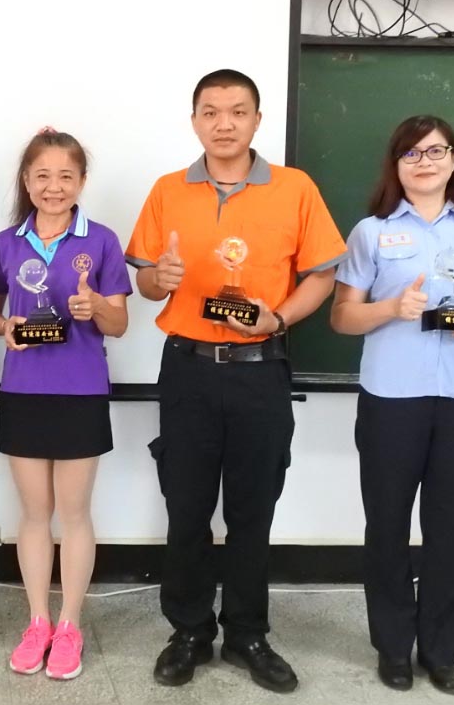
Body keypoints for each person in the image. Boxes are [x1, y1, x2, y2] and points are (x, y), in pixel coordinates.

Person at [125, 69, 346, 694]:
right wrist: (157, 280)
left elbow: (322, 275)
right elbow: (144, 280)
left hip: (260, 373)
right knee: (187, 508)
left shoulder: (294, 188)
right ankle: (189, 631)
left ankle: (247, 633)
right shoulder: (169, 190)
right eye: (211, 111)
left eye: (237, 111)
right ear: (194, 119)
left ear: (256, 119)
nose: (224, 123)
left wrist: (280, 317)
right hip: (188, 369)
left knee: (254, 511)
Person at [330, 116, 454, 696]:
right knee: (386, 525)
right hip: (392, 399)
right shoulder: (370, 232)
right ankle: (392, 647)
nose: (425, 160)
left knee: (450, 526)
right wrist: (391, 309)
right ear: (397, 164)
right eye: (412, 153)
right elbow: (341, 316)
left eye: (436, 150)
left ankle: (439, 651)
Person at [0, 128, 132, 680]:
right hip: (24, 391)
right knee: (31, 514)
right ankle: (37, 622)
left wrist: (94, 304)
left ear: (82, 181)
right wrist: (6, 326)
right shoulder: (6, 243)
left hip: (80, 391)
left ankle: (69, 626)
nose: (53, 187)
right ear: (27, 180)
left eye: (65, 176)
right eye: (42, 176)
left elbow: (119, 324)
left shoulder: (102, 241)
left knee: (73, 515)